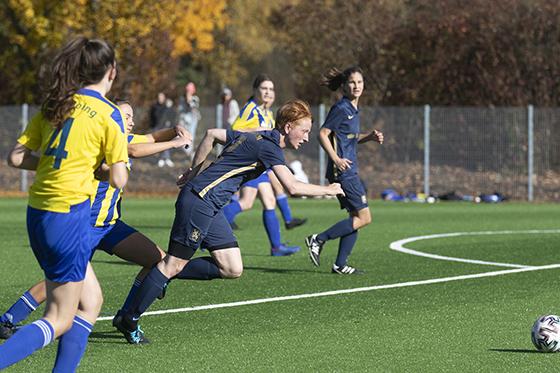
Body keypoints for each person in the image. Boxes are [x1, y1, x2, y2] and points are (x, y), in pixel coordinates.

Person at [113, 99, 344, 344]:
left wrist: (194, 170)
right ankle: (129, 319)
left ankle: (162, 273)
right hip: (199, 202)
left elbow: (212, 134)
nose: (307, 137)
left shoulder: (255, 137)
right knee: (172, 264)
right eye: (304, 130)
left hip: (211, 206)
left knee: (232, 268)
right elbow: (293, 187)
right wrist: (329, 189)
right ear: (287, 127)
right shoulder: (269, 147)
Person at [0, 100, 192, 344]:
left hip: (111, 226)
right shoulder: (110, 140)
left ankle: (127, 317)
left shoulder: (125, 138)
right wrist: (176, 143)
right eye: (125, 116)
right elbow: (134, 150)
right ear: (111, 119)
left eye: (132, 116)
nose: (131, 121)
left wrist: (174, 129)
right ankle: (8, 318)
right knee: (64, 280)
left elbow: (151, 137)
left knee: (157, 260)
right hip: (86, 226)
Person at [0, 37, 129, 371]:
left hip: (37, 213)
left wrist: (50, 164)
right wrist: (98, 167)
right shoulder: (108, 113)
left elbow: (15, 158)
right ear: (111, 72)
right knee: (59, 318)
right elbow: (119, 179)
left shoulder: (56, 103)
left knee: (92, 302)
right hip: (68, 217)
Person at [306, 66, 384, 275]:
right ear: (344, 86)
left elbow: (348, 138)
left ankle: (340, 265)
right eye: (352, 82)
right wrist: (336, 159)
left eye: (359, 82)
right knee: (364, 217)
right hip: (344, 172)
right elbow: (322, 134)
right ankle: (318, 239)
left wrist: (369, 137)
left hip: (349, 169)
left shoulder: (352, 109)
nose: (356, 86)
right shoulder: (341, 108)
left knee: (355, 217)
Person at [222, 74, 307, 255]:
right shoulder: (250, 109)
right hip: (250, 163)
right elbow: (234, 131)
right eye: (264, 89)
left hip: (261, 164)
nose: (268, 92)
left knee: (269, 200)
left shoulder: (266, 112)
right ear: (255, 91)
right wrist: (259, 131)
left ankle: (276, 247)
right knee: (246, 202)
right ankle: (212, 228)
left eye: (271, 89)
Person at [178, 82, 201, 157]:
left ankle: (191, 153)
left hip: (192, 121)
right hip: (184, 121)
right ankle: (187, 152)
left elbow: (193, 108)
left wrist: (189, 100)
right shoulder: (182, 99)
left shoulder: (195, 98)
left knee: (191, 136)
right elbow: (180, 110)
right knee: (182, 136)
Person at [157, 98, 178, 167]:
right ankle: (162, 159)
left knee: (168, 144)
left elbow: (174, 119)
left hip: (170, 129)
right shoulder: (162, 110)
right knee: (163, 144)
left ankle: (167, 159)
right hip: (162, 129)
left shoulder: (173, 111)